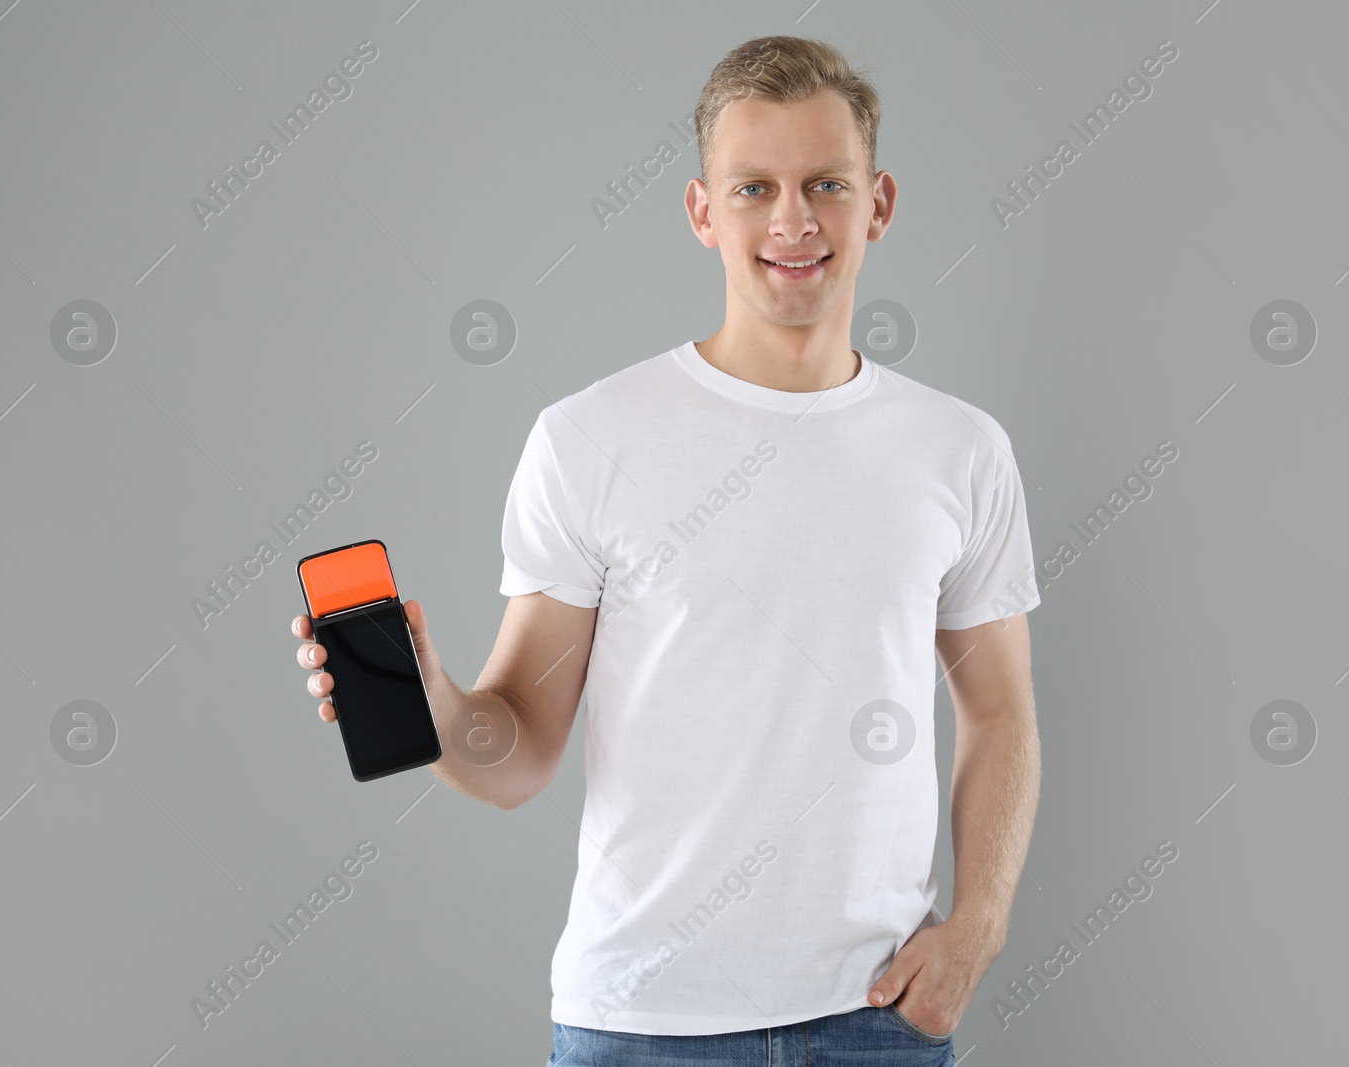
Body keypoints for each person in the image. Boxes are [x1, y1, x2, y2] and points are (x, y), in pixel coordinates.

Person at [292, 33, 1041, 1067]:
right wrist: (431, 698)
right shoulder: (591, 438)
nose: (793, 219)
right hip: (640, 1026)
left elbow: (999, 712)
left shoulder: (959, 450)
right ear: (702, 211)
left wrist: (979, 927)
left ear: (878, 204)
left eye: (826, 182)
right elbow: (516, 756)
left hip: (877, 1021)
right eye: (754, 188)